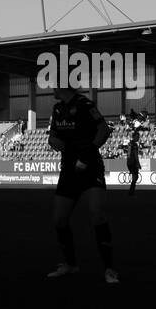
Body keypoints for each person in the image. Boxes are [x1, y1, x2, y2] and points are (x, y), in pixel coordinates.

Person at [46, 85, 118, 283]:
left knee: (97, 213)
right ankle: (70, 265)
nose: (52, 88)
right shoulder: (57, 109)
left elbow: (104, 130)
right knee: (59, 219)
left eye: (54, 84)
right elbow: (52, 136)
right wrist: (53, 141)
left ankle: (109, 270)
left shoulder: (85, 104)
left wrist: (87, 155)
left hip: (90, 166)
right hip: (69, 169)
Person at [126, 129, 142, 196]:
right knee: (135, 177)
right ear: (134, 137)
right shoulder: (134, 144)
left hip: (129, 162)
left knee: (135, 176)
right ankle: (131, 192)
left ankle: (131, 191)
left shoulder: (130, 143)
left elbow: (128, 153)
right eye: (137, 137)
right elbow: (135, 155)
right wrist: (138, 163)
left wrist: (128, 161)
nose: (138, 138)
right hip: (133, 162)